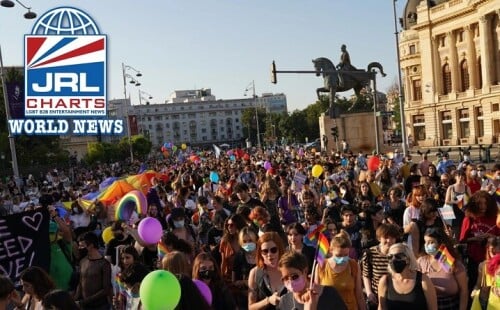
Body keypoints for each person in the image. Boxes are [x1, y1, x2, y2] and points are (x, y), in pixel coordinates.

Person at [459, 191, 500, 294]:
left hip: (492, 261)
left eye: (485, 203)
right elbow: (462, 240)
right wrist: (475, 239)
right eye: (480, 203)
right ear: (474, 204)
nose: (483, 206)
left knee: (492, 289)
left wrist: (491, 237)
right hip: (474, 260)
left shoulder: (494, 218)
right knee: (474, 287)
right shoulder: (469, 219)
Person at [417, 228, 468, 310]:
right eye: (425, 242)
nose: (427, 245)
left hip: (451, 306)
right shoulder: (421, 262)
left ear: (441, 243)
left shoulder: (453, 264)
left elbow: (464, 291)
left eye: (431, 242)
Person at [277, 251, 347, 310]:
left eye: (294, 276)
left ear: (305, 271)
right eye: (285, 278)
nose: (291, 282)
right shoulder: (284, 302)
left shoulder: (329, 294)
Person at [377, 243, 437, 310]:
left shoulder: (423, 280)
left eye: (398, 256)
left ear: (408, 259)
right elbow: (381, 307)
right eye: (390, 257)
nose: (393, 260)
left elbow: (433, 308)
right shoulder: (385, 281)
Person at [315, 230, 364, 310]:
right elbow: (316, 295)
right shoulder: (321, 266)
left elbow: (359, 295)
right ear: (331, 250)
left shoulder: (353, 265)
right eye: (339, 255)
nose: (342, 258)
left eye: (346, 255)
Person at [362, 224, 401, 310]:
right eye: (386, 237)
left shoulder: (400, 253)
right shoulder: (370, 253)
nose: (389, 240)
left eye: (392, 237)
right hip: (377, 298)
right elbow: (366, 275)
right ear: (379, 238)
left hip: (396, 296)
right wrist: (369, 293)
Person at [248, 232, 287, 310]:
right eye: (265, 251)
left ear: (280, 249)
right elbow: (251, 307)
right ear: (260, 253)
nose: (269, 254)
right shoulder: (255, 273)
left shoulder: (290, 269)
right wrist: (268, 300)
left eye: (273, 250)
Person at [75, 232, 112, 310]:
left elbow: (106, 289)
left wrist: (85, 301)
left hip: (100, 306)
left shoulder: (104, 264)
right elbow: (81, 282)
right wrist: (76, 300)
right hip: (84, 306)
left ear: (91, 245)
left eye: (82, 245)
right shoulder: (83, 261)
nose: (79, 248)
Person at [233, 227, 258, 310]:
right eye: (244, 241)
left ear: (256, 240)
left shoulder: (263, 255)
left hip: (261, 298)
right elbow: (234, 281)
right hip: (243, 300)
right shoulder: (239, 257)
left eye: (250, 240)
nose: (247, 244)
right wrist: (244, 282)